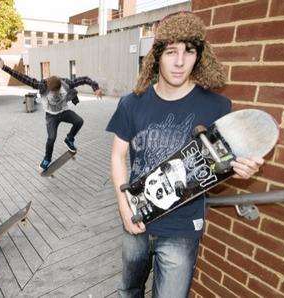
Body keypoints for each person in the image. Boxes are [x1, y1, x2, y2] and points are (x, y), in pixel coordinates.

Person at [106, 12, 264, 297]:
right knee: (129, 290)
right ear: (157, 55)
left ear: (199, 56)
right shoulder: (132, 103)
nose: (180, 62)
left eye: (189, 51)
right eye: (171, 52)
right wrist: (122, 206)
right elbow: (118, 155)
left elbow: (219, 169)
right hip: (136, 216)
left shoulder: (217, 107)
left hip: (182, 228)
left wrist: (240, 170)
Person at [0, 59, 103, 170]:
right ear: (48, 88)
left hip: (64, 111)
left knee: (79, 121)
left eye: (57, 91)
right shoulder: (41, 85)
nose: (56, 94)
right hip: (51, 116)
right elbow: (23, 77)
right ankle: (47, 158)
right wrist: (4, 67)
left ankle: (69, 139)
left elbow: (84, 79)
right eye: (53, 92)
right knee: (51, 138)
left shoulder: (66, 84)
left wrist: (96, 88)